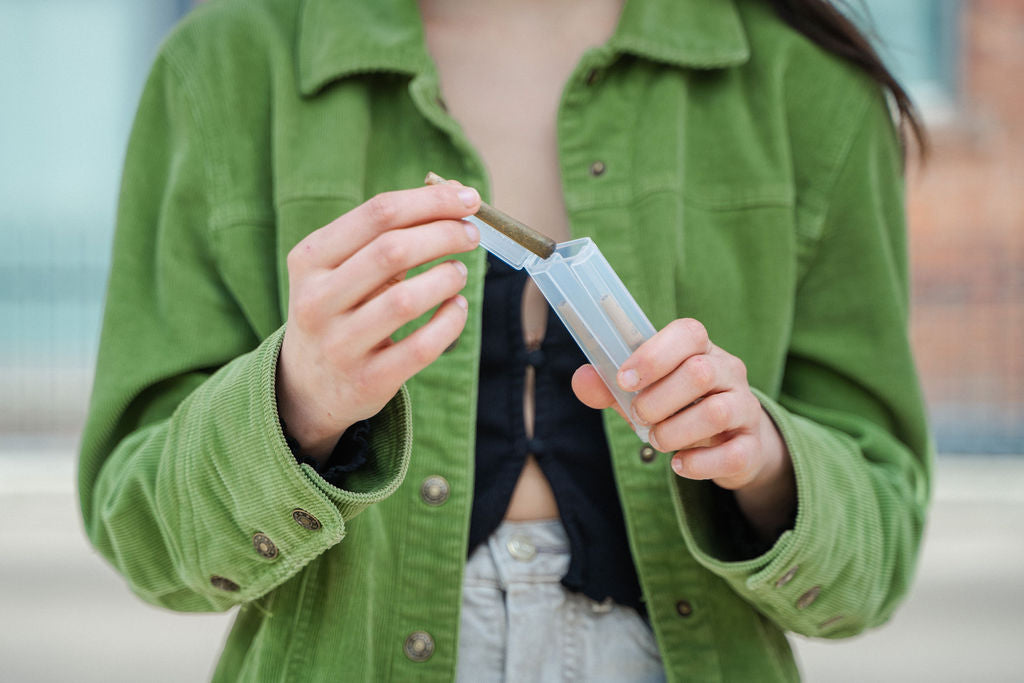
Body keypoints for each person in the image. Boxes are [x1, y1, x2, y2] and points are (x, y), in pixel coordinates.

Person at [79, 0, 933, 680]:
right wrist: (295, 403)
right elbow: (145, 536)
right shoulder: (224, 64)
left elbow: (877, 554)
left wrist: (767, 464)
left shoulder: (810, 82)